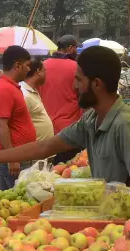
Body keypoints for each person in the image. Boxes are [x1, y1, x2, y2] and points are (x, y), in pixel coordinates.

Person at [0, 46, 130, 186]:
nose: (74, 87)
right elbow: (45, 147)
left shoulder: (126, 125)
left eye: (78, 80)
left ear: (97, 84)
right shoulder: (91, 120)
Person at [0, 45, 37, 191]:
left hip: (19, 156)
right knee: (20, 202)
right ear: (17, 65)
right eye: (27, 66)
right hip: (15, 159)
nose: (29, 70)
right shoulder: (4, 89)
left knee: (10, 203)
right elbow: (0, 125)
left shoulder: (12, 87)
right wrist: (12, 157)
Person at [39, 34, 83, 164]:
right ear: (70, 48)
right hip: (69, 131)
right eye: (76, 47)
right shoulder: (76, 67)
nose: (77, 51)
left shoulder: (42, 67)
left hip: (46, 131)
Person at [21, 58, 54, 143]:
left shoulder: (33, 90)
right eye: (45, 71)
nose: (46, 74)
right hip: (35, 152)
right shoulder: (24, 94)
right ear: (38, 71)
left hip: (44, 150)